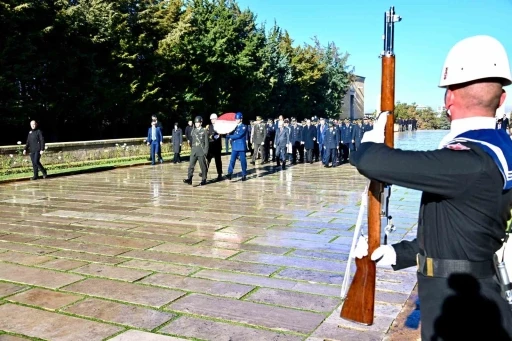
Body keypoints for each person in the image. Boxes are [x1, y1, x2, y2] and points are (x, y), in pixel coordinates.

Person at [352, 35, 512, 340]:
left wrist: (369, 142)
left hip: (461, 314)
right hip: (477, 292)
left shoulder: (469, 159)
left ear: (448, 98)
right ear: (502, 98)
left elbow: (370, 161)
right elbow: (459, 230)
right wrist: (398, 253)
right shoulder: (500, 148)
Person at [183, 116, 209, 186]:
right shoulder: (193, 131)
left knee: (203, 166)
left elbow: (206, 142)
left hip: (201, 151)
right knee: (191, 165)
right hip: (194, 151)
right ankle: (189, 178)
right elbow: (192, 141)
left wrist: (205, 152)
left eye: (198, 122)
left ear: (201, 122)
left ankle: (204, 179)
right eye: (196, 122)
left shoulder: (204, 131)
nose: (196, 124)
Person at [226, 112, 248, 181]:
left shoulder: (244, 126)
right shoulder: (234, 126)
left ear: (241, 119)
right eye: (236, 119)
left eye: (237, 119)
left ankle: (244, 174)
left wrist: (229, 136)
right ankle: (229, 173)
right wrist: (227, 133)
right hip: (235, 146)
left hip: (241, 147)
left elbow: (239, 135)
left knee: (243, 161)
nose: (236, 120)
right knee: (232, 160)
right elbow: (230, 133)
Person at [205, 113, 223, 180]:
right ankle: (204, 172)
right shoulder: (209, 126)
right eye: (212, 119)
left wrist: (212, 136)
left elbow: (218, 136)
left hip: (217, 146)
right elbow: (206, 135)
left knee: (218, 161)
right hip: (210, 146)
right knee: (207, 159)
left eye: (214, 119)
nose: (213, 120)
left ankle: (220, 174)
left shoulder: (219, 126)